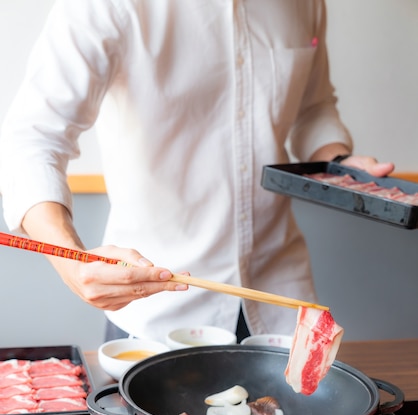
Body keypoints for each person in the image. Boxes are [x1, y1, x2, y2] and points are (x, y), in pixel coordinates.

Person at [0, 0, 394, 345]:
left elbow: (314, 108)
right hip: (156, 314)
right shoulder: (106, 4)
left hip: (280, 305)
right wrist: (72, 260)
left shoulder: (303, 2)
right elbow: (33, 138)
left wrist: (339, 163)